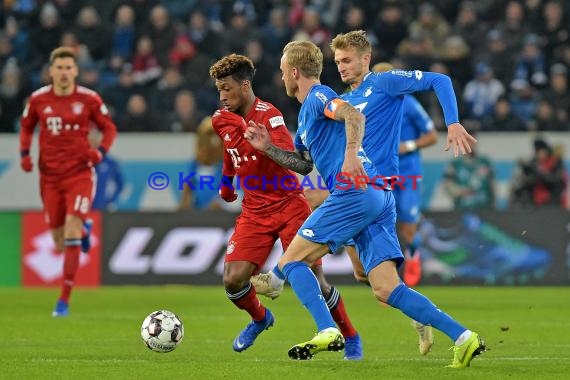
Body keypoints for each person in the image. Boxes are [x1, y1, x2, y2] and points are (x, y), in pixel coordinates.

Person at [244, 40, 485, 368]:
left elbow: (431, 84)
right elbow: (303, 163)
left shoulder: (339, 93)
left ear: (293, 72)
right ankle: (462, 336)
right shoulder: (322, 108)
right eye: (338, 60)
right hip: (376, 196)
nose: (341, 66)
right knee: (383, 287)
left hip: (358, 187)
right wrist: (267, 148)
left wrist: (453, 122)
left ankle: (323, 324)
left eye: (347, 59)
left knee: (293, 261)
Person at [208, 54, 362, 359]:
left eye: (227, 88)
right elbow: (229, 151)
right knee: (233, 279)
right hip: (253, 210)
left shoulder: (269, 116)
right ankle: (261, 318)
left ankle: (349, 336)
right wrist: (226, 184)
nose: (222, 96)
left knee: (314, 277)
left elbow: (296, 163)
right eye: (219, 90)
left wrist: (266, 148)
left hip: (289, 205)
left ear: (245, 86)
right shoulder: (220, 118)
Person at [19, 47, 117, 317]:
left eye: (68, 68)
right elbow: (26, 127)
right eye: (59, 68)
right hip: (49, 177)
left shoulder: (89, 98)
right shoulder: (38, 99)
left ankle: (63, 300)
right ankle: (84, 229)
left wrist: (100, 152)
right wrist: (24, 154)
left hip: (79, 173)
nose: (63, 73)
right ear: (51, 71)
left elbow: (109, 127)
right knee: (60, 242)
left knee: (71, 231)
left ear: (75, 70)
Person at [371, 62, 438, 288]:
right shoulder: (370, 106)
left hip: (408, 173)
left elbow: (432, 136)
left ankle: (413, 255)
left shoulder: (408, 104)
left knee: (408, 226)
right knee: (382, 224)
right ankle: (388, 276)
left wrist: (407, 146)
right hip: (381, 173)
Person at [178, 116, 225, 211]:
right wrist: (185, 202)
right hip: (197, 213)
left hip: (219, 214)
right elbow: (187, 188)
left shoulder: (225, 166)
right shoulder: (194, 164)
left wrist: (220, 202)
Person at [89, 129, 124, 211]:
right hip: (84, 206)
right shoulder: (81, 162)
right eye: (91, 142)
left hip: (102, 207)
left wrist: (111, 200)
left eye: (95, 141)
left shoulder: (111, 163)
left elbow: (120, 185)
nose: (93, 144)